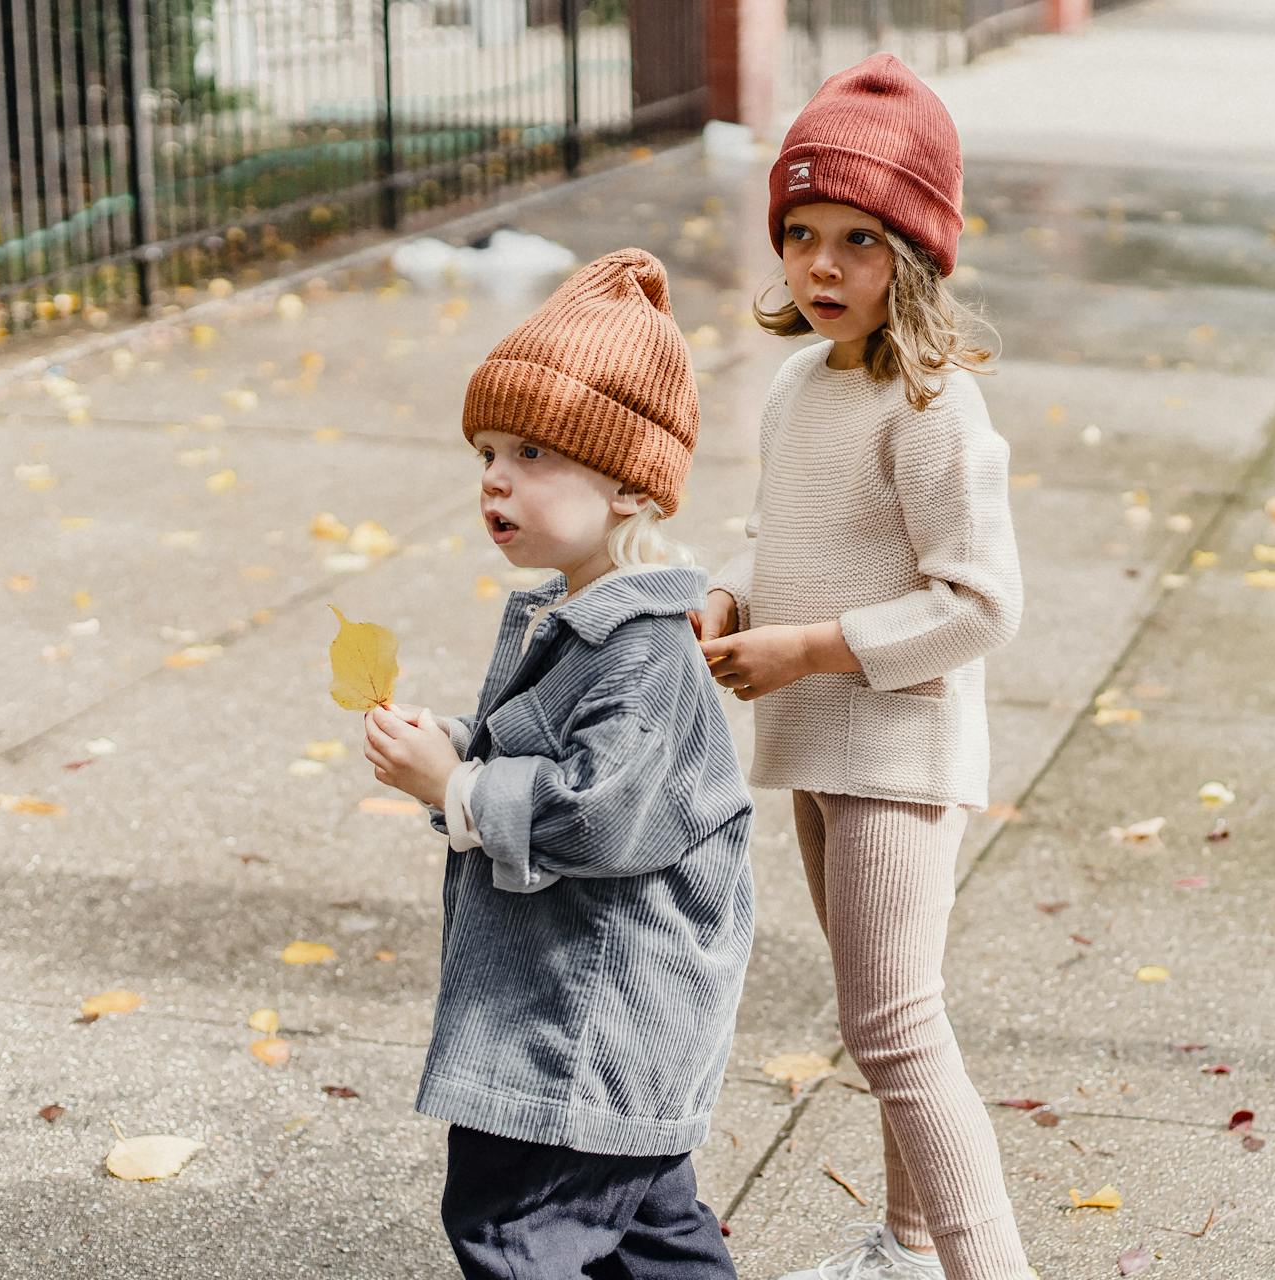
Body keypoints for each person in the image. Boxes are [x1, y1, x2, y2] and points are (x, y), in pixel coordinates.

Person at [696, 54, 1031, 1280]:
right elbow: (788, 535)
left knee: (895, 1029)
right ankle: (901, 1248)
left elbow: (982, 602)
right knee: (888, 1018)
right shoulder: (798, 384)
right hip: (819, 741)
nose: (822, 266)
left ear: (919, 253)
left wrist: (814, 647)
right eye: (799, 233)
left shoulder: (932, 405)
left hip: (896, 746)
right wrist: (735, 591)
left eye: (858, 239)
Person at [362, 248, 751, 1280]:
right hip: (604, 1018)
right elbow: (546, 755)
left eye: (532, 451)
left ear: (629, 483)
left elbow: (596, 815)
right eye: (488, 449)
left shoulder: (645, 647)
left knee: (514, 1227)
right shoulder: (582, 619)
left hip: (588, 1018)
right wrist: (451, 747)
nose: (494, 475)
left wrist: (451, 787)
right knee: (647, 1229)